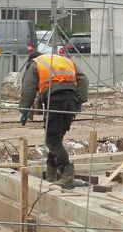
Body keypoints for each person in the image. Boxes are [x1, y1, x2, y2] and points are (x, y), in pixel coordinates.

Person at [19, 51, 89, 186]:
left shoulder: (36, 64)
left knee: (52, 140)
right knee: (56, 138)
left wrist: (24, 110)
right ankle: (51, 175)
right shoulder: (64, 61)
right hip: (71, 99)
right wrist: (80, 100)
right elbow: (84, 79)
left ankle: (67, 174)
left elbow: (28, 88)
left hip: (55, 99)